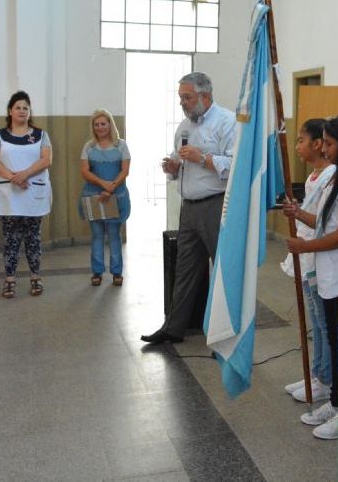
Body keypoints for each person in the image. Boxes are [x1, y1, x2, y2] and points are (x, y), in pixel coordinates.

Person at [141, 72, 237, 344]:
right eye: (181, 97)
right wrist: (172, 167)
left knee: (222, 270)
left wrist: (202, 158)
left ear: (204, 96)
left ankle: (225, 333)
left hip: (216, 206)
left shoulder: (227, 122)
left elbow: (235, 166)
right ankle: (173, 327)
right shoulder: (184, 126)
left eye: (187, 97)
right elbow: (178, 161)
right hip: (189, 208)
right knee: (183, 269)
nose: (182, 102)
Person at [285, 114, 338, 440]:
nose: (324, 149)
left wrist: (305, 246)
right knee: (329, 335)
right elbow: (324, 220)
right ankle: (333, 400)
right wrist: (299, 215)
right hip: (328, 273)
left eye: (330, 143)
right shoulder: (337, 180)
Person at [281, 119, 335, 403]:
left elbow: (324, 221)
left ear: (318, 144)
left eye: (302, 140)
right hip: (306, 252)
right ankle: (317, 373)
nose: (298, 146)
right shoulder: (315, 176)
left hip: (317, 255)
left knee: (323, 322)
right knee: (315, 319)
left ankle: (325, 379)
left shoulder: (331, 176)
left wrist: (298, 214)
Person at [0, 91, 52, 298]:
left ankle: (35, 278)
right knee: (10, 239)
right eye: (18, 107)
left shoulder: (41, 135)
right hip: (9, 194)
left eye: (25, 107)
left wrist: (24, 174)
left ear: (29, 111)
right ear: (10, 111)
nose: (22, 111)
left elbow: (46, 159)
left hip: (33, 192)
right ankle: (9, 280)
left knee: (33, 238)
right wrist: (13, 177)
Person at [79, 109, 131, 287]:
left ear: (110, 124)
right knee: (97, 235)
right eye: (96, 124)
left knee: (114, 235)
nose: (100, 127)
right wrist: (103, 185)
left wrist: (111, 189)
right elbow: (85, 171)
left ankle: (117, 272)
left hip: (115, 197)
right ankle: (97, 272)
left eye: (103, 123)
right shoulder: (89, 146)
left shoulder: (121, 145)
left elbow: (125, 170)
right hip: (94, 197)